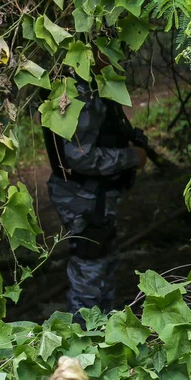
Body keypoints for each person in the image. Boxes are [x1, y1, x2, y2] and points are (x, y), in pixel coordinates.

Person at [44, 73, 147, 317]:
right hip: (82, 197)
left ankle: (102, 331)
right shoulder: (80, 91)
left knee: (103, 264)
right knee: (90, 268)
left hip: (93, 196)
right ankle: (83, 340)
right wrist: (132, 157)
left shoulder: (90, 84)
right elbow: (79, 156)